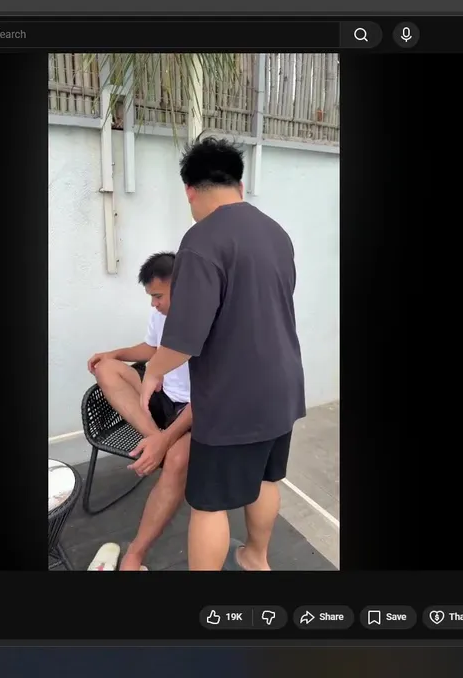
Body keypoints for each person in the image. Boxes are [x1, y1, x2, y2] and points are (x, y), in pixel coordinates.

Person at [139, 137, 306, 571]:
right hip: (283, 386)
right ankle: (256, 558)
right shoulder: (277, 233)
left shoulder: (202, 240)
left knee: (209, 504)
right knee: (266, 477)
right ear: (240, 185)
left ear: (189, 191)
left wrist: (153, 372)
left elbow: (183, 339)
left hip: (234, 397)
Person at [87, 251, 193, 571]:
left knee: (177, 460)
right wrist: (114, 353)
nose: (153, 304)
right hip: (160, 398)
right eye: (150, 297)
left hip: (195, 412)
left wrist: (170, 438)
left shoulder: (207, 322)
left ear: (182, 287)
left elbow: (210, 398)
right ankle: (155, 439)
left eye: (158, 296)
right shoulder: (161, 315)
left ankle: (134, 554)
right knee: (106, 368)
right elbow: (151, 348)